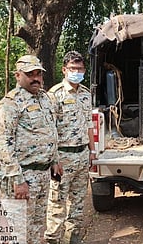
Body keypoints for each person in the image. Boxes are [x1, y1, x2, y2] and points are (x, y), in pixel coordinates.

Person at [0, 55, 61, 244]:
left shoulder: (45, 99)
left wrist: (54, 160)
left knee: (37, 227)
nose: (35, 78)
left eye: (38, 73)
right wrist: (17, 180)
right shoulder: (10, 104)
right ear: (18, 75)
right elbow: (4, 145)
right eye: (30, 74)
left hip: (43, 175)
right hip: (23, 177)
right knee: (18, 231)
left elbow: (50, 131)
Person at [45, 51, 95, 243]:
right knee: (57, 204)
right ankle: (53, 240)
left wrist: (91, 151)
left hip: (82, 155)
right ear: (64, 70)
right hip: (62, 158)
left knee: (78, 203)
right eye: (73, 68)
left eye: (80, 68)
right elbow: (49, 130)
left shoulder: (85, 94)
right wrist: (53, 160)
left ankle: (72, 239)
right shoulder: (54, 95)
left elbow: (89, 124)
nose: (77, 71)